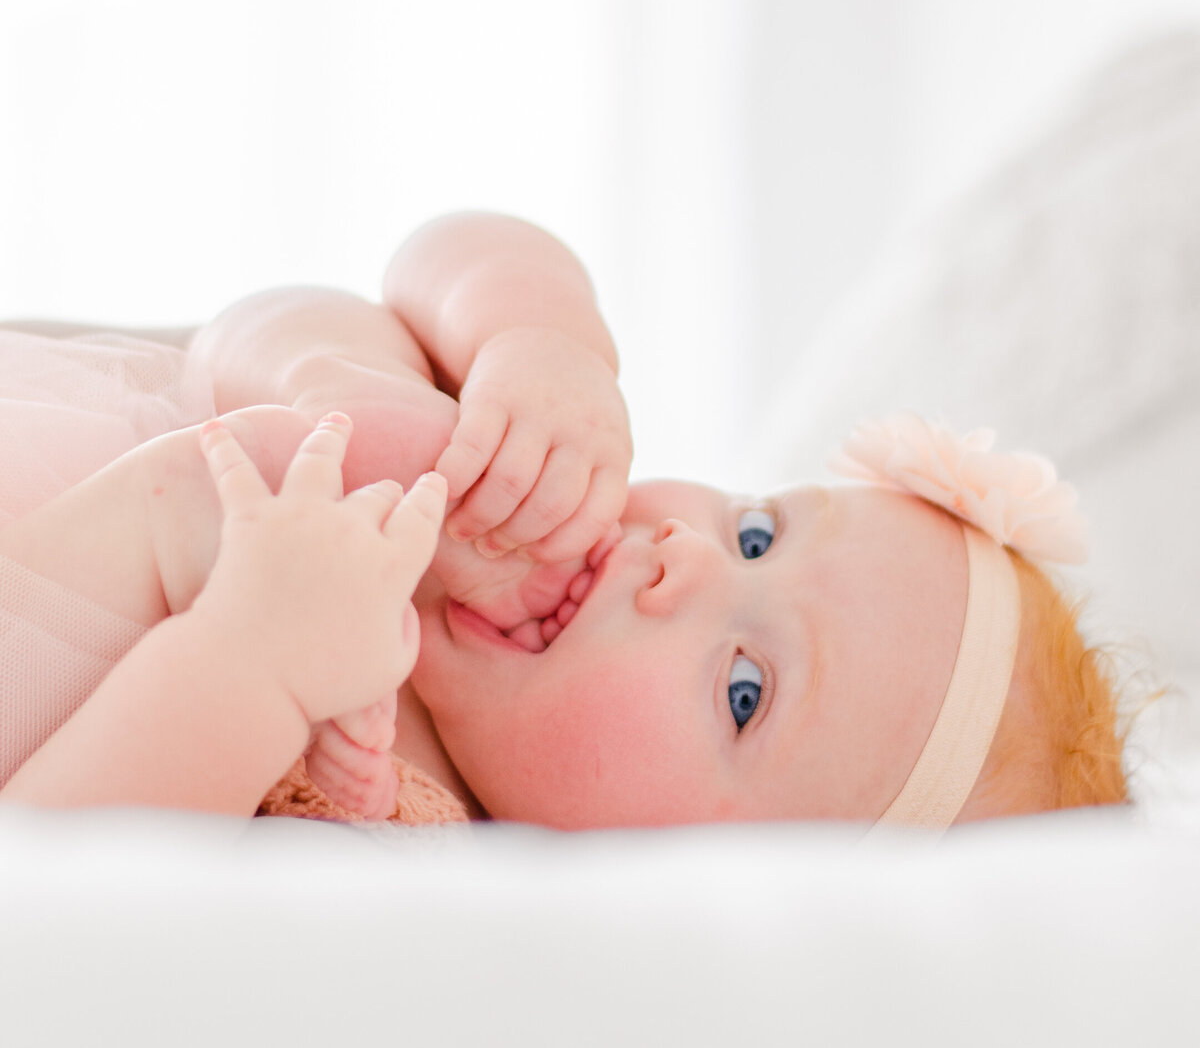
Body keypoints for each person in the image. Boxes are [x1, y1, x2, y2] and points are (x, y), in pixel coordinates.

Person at [0, 213, 1129, 828]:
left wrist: (251, 669)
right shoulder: (490, 466)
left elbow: (55, 888)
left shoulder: (397, 826)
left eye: (746, 689)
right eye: (756, 535)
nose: (680, 558)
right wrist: (534, 345)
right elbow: (337, 290)